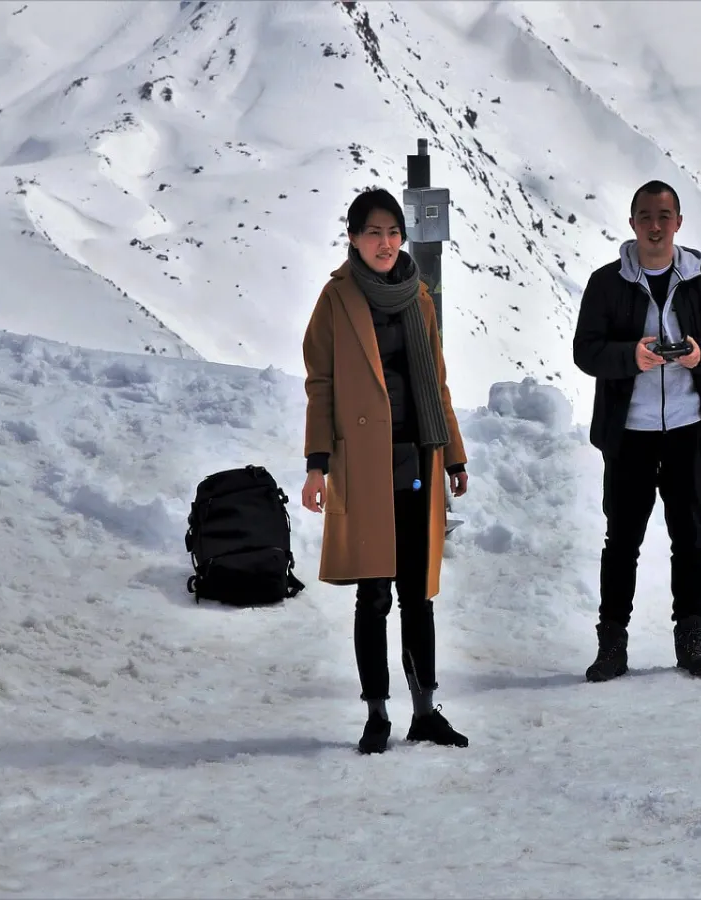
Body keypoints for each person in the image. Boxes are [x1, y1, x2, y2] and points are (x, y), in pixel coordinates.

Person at [301, 188, 470, 754]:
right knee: (373, 593)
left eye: (393, 232)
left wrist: (453, 453)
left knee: (416, 594)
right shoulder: (336, 299)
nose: (386, 242)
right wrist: (317, 465)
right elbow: (320, 385)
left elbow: (437, 382)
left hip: (416, 457)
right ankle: (377, 713)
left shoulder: (417, 296)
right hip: (363, 464)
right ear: (352, 237)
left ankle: (425, 710)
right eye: (373, 232)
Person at [572, 180, 701, 683]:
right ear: (632, 223)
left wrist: (698, 354)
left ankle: (691, 641)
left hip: (688, 428)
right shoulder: (607, 283)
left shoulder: (700, 280)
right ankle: (612, 645)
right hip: (630, 433)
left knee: (690, 537)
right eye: (645, 215)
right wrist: (631, 357)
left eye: (664, 216)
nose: (654, 225)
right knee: (621, 540)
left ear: (678, 223)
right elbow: (585, 351)